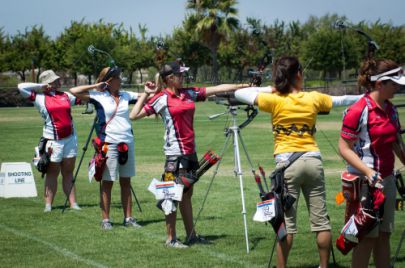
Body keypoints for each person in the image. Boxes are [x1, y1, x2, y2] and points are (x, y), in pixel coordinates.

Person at [234, 56, 362, 268]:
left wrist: (272, 89)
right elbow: (343, 100)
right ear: (299, 75)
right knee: (321, 221)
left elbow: (241, 94)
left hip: (287, 165)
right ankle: (323, 266)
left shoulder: (275, 99)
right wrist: (367, 97)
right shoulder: (312, 98)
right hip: (312, 160)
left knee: (287, 225)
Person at [129, 60, 249, 248]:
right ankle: (170, 239)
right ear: (170, 78)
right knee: (171, 195)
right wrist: (145, 93)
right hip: (175, 155)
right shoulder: (161, 98)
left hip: (190, 152)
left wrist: (244, 86)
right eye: (180, 74)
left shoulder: (188, 93)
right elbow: (133, 115)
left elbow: (216, 89)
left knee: (186, 195)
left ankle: (191, 235)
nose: (184, 77)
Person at [338, 59, 405, 268]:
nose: (398, 87)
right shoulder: (358, 110)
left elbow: (396, 144)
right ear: (380, 84)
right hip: (365, 183)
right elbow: (344, 147)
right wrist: (367, 171)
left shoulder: (392, 109)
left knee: (384, 236)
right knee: (366, 238)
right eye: (394, 84)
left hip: (387, 180)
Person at [69, 66, 141, 230]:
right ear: (108, 81)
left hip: (127, 141)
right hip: (109, 143)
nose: (120, 79)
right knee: (107, 182)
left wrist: (154, 88)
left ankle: (128, 218)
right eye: (117, 77)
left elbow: (146, 96)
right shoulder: (98, 96)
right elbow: (74, 90)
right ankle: (106, 220)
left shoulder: (126, 95)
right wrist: (96, 86)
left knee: (126, 181)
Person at [18, 70, 81, 212]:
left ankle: (73, 203)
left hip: (70, 139)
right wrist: (41, 86)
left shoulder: (65, 95)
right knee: (52, 172)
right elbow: (21, 86)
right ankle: (48, 205)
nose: (59, 82)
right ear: (48, 83)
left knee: (68, 172)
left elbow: (82, 97)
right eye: (55, 80)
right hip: (53, 141)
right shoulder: (39, 97)